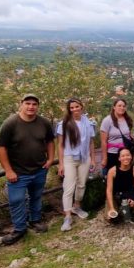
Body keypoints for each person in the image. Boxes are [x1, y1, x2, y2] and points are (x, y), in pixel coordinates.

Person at [0, 94, 55, 245]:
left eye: (34, 104)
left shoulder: (44, 123)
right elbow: (0, 147)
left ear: (37, 106)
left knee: (36, 196)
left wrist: (50, 159)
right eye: (27, 103)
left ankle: (34, 220)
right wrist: (8, 170)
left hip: (39, 168)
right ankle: (19, 228)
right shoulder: (10, 123)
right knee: (16, 200)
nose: (31, 107)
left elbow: (49, 141)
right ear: (21, 104)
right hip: (18, 172)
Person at [56, 98, 96, 232]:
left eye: (76, 107)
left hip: (84, 157)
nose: (74, 109)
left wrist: (93, 159)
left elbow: (91, 142)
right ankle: (67, 216)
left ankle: (76, 206)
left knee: (82, 184)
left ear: (81, 107)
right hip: (69, 158)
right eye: (71, 108)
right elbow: (60, 145)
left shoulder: (88, 123)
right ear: (69, 109)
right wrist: (61, 163)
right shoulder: (64, 124)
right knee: (68, 186)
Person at [105, 148, 134, 227]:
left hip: (129, 195)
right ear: (119, 158)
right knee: (111, 218)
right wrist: (112, 208)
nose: (125, 157)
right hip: (115, 195)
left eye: (128, 155)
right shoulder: (112, 171)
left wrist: (133, 199)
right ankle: (119, 211)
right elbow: (109, 190)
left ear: (131, 156)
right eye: (123, 156)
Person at [100, 99, 134, 175]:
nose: (122, 108)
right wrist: (105, 158)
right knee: (112, 175)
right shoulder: (107, 120)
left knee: (125, 174)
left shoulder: (127, 119)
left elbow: (128, 135)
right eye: (119, 106)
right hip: (112, 153)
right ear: (114, 107)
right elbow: (103, 141)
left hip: (125, 154)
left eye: (123, 106)